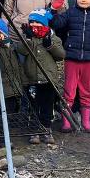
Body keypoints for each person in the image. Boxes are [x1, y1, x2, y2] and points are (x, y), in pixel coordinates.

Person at [50, 0, 90, 133]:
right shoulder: (71, 12)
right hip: (72, 57)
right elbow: (55, 23)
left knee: (86, 90)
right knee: (69, 90)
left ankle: (86, 121)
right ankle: (67, 121)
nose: (83, 0)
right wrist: (54, 8)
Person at [15, 9, 65, 144]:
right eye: (32, 22)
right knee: (33, 106)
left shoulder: (53, 38)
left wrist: (50, 46)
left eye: (37, 22)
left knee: (47, 106)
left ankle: (46, 129)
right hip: (31, 79)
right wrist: (29, 39)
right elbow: (21, 50)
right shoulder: (27, 37)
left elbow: (61, 55)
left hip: (48, 79)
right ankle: (34, 131)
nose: (34, 25)